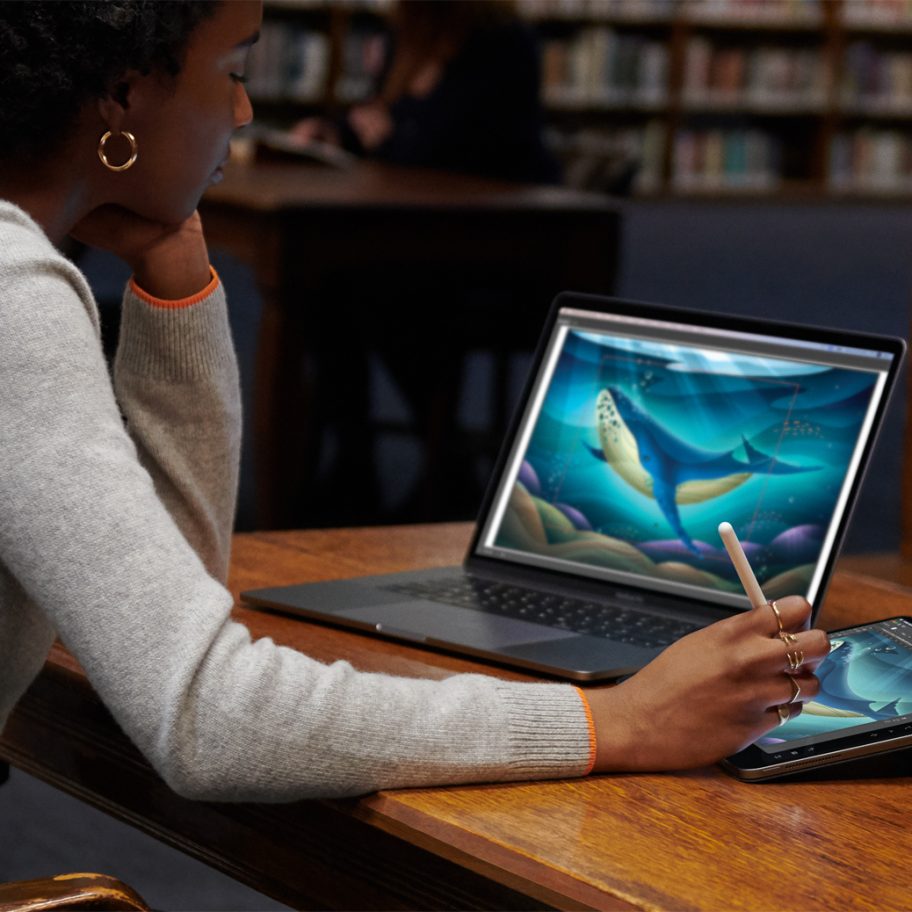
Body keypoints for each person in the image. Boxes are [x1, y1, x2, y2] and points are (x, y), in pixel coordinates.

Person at [0, 0, 830, 804]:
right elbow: (210, 716)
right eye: (235, 68)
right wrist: (619, 720)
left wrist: (177, 272)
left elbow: (170, 614)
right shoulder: (16, 298)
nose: (245, 110)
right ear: (120, 93)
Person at [291, 0, 559, 184]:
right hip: (410, 204)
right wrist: (333, 133)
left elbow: (469, 153)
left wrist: (388, 141)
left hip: (495, 222)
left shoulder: (506, 43)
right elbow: (375, 113)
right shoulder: (407, 36)